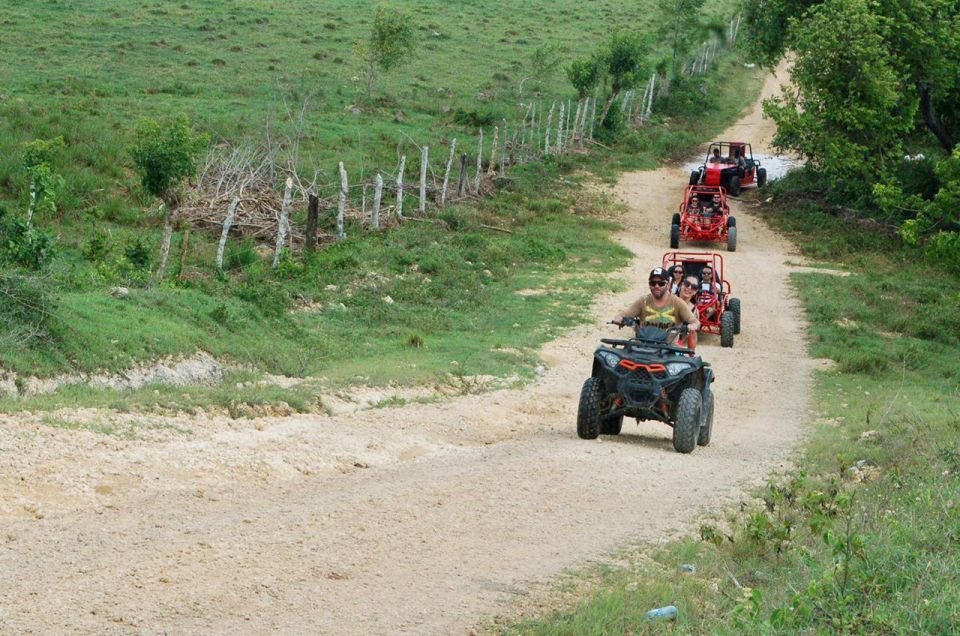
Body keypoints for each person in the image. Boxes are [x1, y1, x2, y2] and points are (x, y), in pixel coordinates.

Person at [614, 268, 700, 338]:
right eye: (653, 283)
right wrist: (619, 317)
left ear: (668, 285)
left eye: (661, 283)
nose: (656, 286)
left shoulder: (677, 303)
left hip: (669, 348)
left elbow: (693, 320)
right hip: (643, 344)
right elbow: (625, 314)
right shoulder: (643, 301)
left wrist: (693, 325)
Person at [676, 274, 701, 351]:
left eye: (693, 287)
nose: (689, 288)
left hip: (677, 345)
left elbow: (693, 332)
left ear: (695, 292)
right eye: (687, 284)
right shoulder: (669, 300)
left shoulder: (695, 311)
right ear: (681, 285)